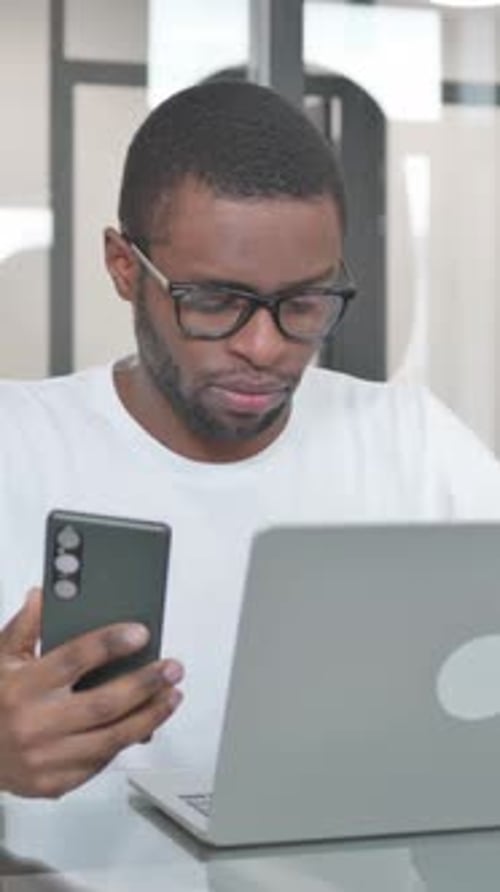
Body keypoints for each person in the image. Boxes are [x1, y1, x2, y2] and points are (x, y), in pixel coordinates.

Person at [1, 80, 500, 801]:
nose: (265, 347)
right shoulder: (17, 446)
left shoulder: (411, 443)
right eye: (215, 301)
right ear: (122, 267)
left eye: (303, 302)